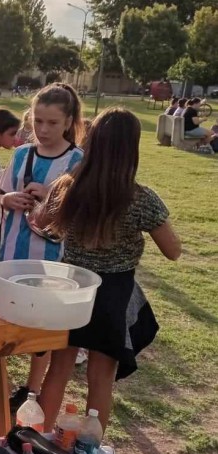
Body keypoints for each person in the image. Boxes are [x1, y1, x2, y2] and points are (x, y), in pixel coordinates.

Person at [38, 108, 181, 433]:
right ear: (131, 150)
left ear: (91, 142)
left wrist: (54, 191)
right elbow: (173, 251)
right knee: (101, 379)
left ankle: (39, 442)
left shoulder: (68, 185)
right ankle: (90, 450)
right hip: (112, 295)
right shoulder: (141, 198)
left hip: (70, 289)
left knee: (58, 369)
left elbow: (41, 220)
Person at [0, 83, 85, 408]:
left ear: (68, 122)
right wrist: (8, 198)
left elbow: (78, 211)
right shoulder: (22, 153)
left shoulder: (77, 161)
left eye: (52, 122)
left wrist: (50, 196)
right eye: (38, 121)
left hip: (49, 259)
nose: (43, 129)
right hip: (9, 252)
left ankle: (31, 388)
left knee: (41, 325)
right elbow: (1, 194)